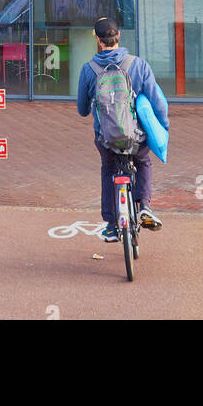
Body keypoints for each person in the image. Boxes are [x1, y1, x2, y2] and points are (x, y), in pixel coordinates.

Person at [76, 16, 168, 242]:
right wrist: (163, 128)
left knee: (108, 170)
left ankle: (109, 224)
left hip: (106, 138)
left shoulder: (89, 70)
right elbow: (157, 103)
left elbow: (82, 110)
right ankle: (144, 205)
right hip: (136, 138)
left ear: (98, 40)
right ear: (119, 36)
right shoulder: (138, 65)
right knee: (143, 161)